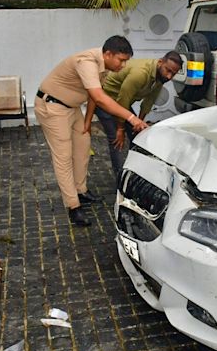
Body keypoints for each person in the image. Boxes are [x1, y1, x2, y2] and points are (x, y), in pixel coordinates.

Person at [34, 35, 148, 227]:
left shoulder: (104, 64)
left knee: (83, 148)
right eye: (121, 60)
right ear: (108, 54)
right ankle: (73, 206)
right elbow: (100, 97)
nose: (123, 65)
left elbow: (93, 95)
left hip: (73, 108)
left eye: (126, 61)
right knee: (63, 156)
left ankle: (81, 190)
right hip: (52, 107)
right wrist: (131, 118)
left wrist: (87, 122)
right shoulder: (87, 62)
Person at [84, 51, 182, 177]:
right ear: (160, 62)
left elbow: (149, 101)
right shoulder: (140, 73)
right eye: (168, 70)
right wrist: (121, 128)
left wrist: (139, 123)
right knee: (116, 139)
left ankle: (135, 171)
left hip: (122, 102)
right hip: (106, 99)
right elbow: (123, 98)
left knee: (138, 135)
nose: (169, 76)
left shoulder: (160, 76)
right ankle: (120, 178)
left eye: (173, 74)